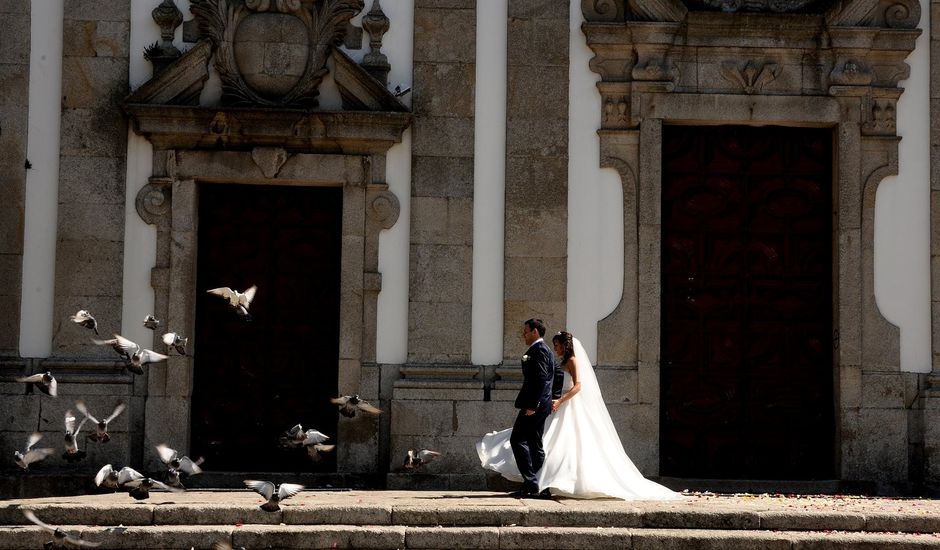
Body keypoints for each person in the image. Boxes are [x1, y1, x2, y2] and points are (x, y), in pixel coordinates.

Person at [477, 331, 680, 500]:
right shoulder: (561, 361)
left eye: (557, 345)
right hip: (556, 405)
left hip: (566, 405)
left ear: (565, 346)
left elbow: (578, 386)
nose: (555, 348)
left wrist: (560, 400)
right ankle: (541, 482)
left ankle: (544, 481)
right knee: (544, 442)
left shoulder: (572, 360)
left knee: (555, 442)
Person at [506, 318, 556, 498]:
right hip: (541, 403)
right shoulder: (544, 350)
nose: (523, 334)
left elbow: (541, 379)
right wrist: (551, 398)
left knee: (517, 439)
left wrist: (533, 404)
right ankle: (541, 483)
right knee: (535, 444)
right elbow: (556, 374)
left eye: (525, 331)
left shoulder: (540, 350)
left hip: (535, 405)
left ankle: (531, 482)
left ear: (535, 331)